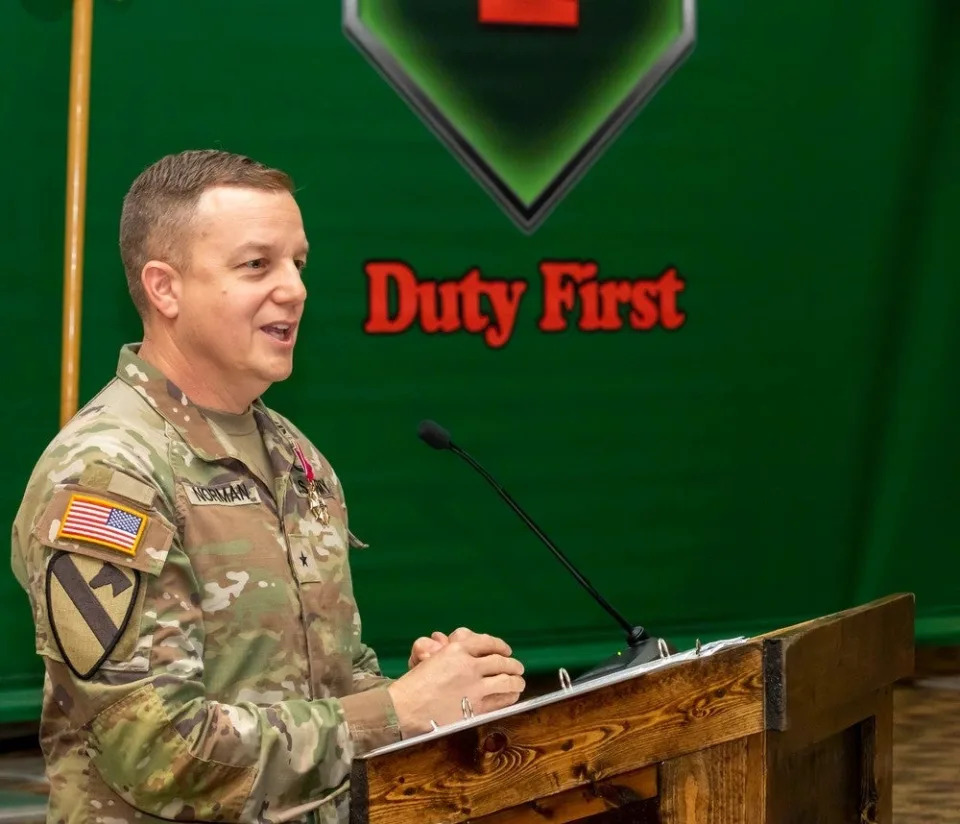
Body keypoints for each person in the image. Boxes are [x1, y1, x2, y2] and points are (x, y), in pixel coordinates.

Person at [10, 150, 526, 824]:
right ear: (164, 289)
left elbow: (327, 681)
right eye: (257, 265)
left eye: (298, 263)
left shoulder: (294, 456)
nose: (294, 289)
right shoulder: (109, 477)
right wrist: (396, 712)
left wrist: (428, 689)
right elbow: (155, 752)